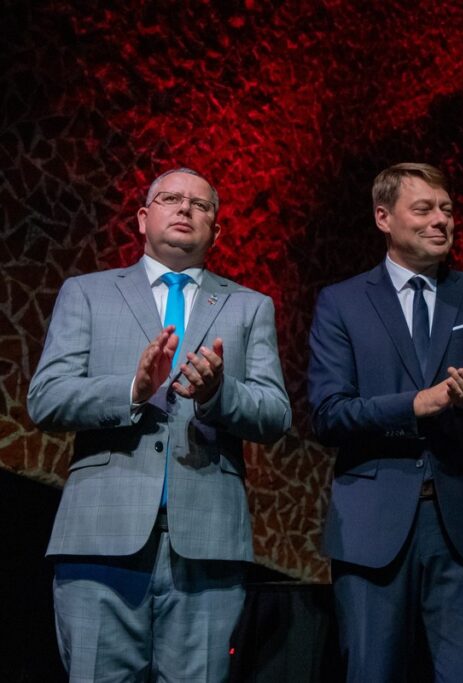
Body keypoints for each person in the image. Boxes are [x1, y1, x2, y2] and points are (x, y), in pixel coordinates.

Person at [28, 168, 292, 681]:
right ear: (144, 218)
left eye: (201, 204)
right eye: (171, 198)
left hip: (208, 546)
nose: (185, 208)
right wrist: (132, 388)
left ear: (217, 231)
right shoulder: (86, 293)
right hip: (100, 539)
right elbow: (46, 398)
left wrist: (220, 393)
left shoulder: (249, 306)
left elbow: (275, 413)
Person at [307, 162, 463, 681]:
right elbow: (326, 415)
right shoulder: (342, 303)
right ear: (384, 218)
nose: (441, 221)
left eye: (448, 210)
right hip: (372, 527)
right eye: (425, 209)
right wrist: (417, 404)